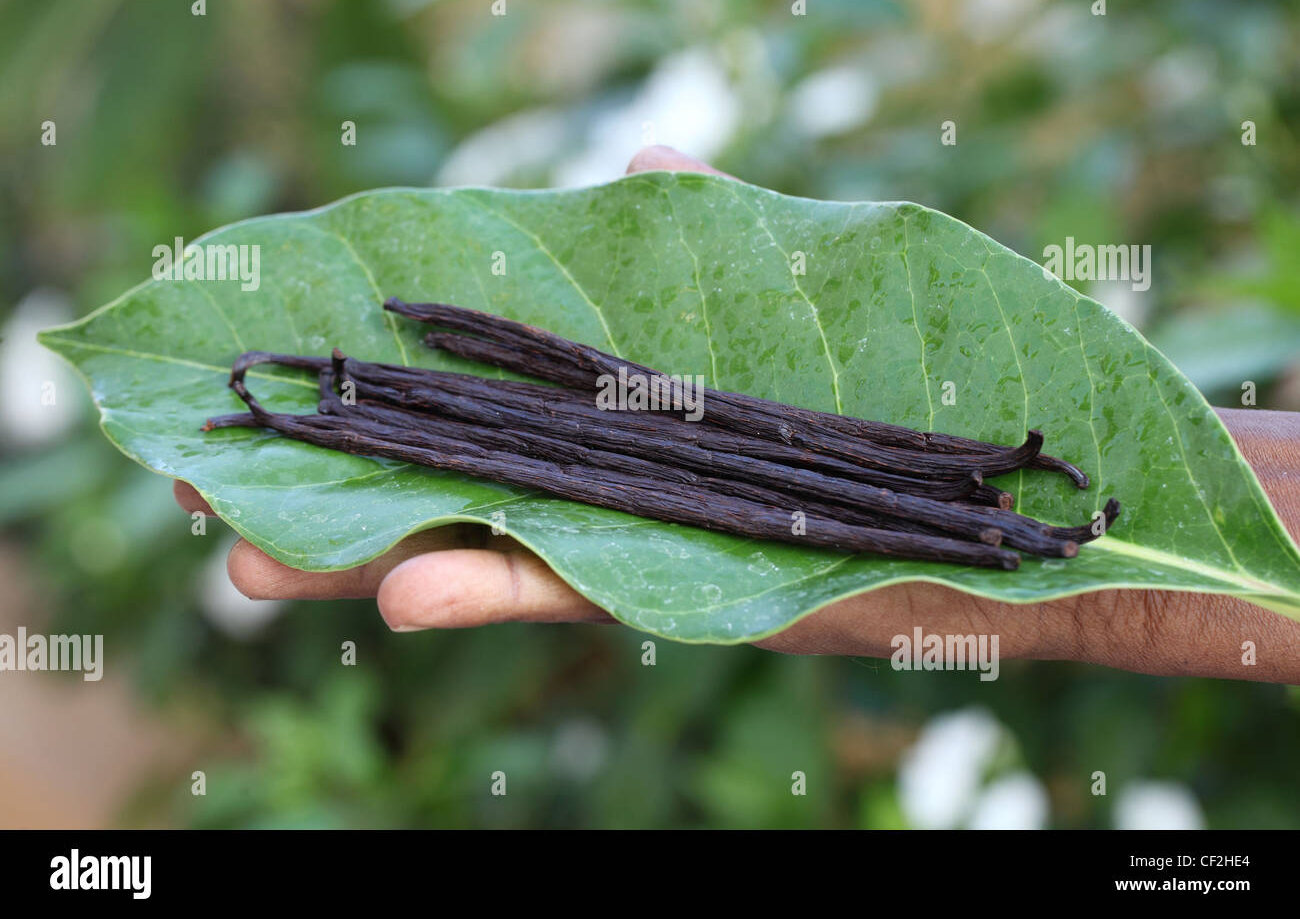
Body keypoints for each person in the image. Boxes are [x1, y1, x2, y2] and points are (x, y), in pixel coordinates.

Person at [175, 146, 1300, 683]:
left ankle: (995, 521)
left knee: (662, 442)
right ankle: (324, 395)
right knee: (575, 428)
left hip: (987, 527)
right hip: (993, 528)